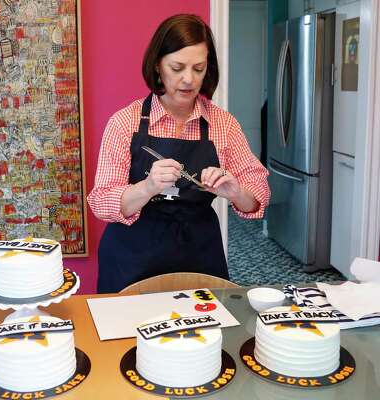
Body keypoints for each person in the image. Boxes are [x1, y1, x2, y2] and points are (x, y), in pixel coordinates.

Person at [87, 14, 270, 293]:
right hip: (131, 262)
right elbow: (101, 202)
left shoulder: (223, 124)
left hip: (199, 259)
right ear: (158, 66)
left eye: (198, 68)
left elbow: (257, 199)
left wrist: (235, 192)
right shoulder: (125, 122)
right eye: (177, 67)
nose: (188, 79)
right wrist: (147, 187)